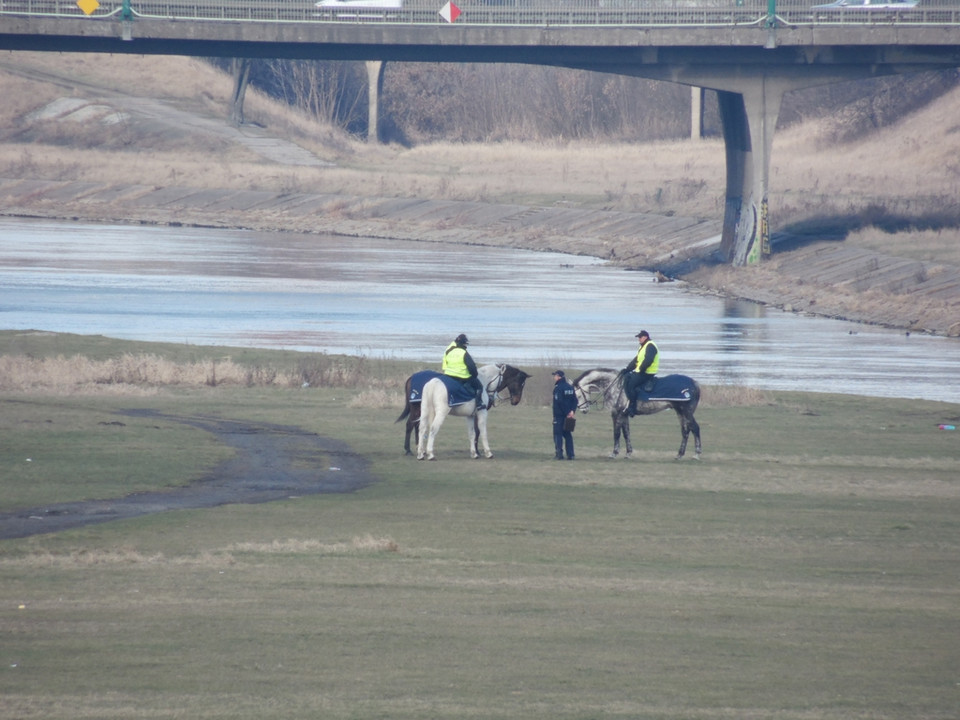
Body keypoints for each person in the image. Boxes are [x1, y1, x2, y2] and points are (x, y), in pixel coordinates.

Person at [624, 330, 659, 417]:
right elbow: (637, 360)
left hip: (647, 373)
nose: (639, 339)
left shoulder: (650, 346)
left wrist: (641, 370)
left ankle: (632, 407)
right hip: (641, 372)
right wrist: (627, 369)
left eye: (640, 337)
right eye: (638, 337)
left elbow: (648, 360)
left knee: (631, 385)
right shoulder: (643, 347)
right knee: (626, 378)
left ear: (645, 337)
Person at [442, 333, 483, 406]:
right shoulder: (463, 353)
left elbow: (446, 361)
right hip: (462, 377)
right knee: (479, 386)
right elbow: (472, 367)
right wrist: (474, 375)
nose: (466, 346)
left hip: (448, 375)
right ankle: (478, 404)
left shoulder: (449, 350)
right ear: (463, 344)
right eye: (466, 344)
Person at [552, 370, 577, 460]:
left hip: (559, 415)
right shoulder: (570, 387)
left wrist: (567, 413)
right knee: (568, 435)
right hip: (569, 415)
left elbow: (560, 402)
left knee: (557, 434)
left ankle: (559, 454)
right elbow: (575, 400)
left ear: (559, 377)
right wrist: (572, 411)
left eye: (555, 375)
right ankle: (571, 455)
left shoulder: (558, 388)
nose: (554, 377)